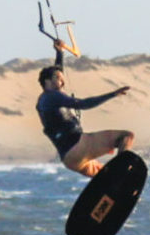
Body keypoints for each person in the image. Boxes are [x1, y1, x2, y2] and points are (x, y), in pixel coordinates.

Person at [36, 42, 134, 177]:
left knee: (103, 175)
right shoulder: (53, 97)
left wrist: (60, 53)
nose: (63, 82)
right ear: (47, 82)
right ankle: (121, 175)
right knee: (127, 136)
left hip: (69, 159)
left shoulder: (44, 100)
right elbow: (84, 104)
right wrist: (112, 94)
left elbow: (57, 72)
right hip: (79, 146)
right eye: (59, 79)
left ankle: (109, 191)